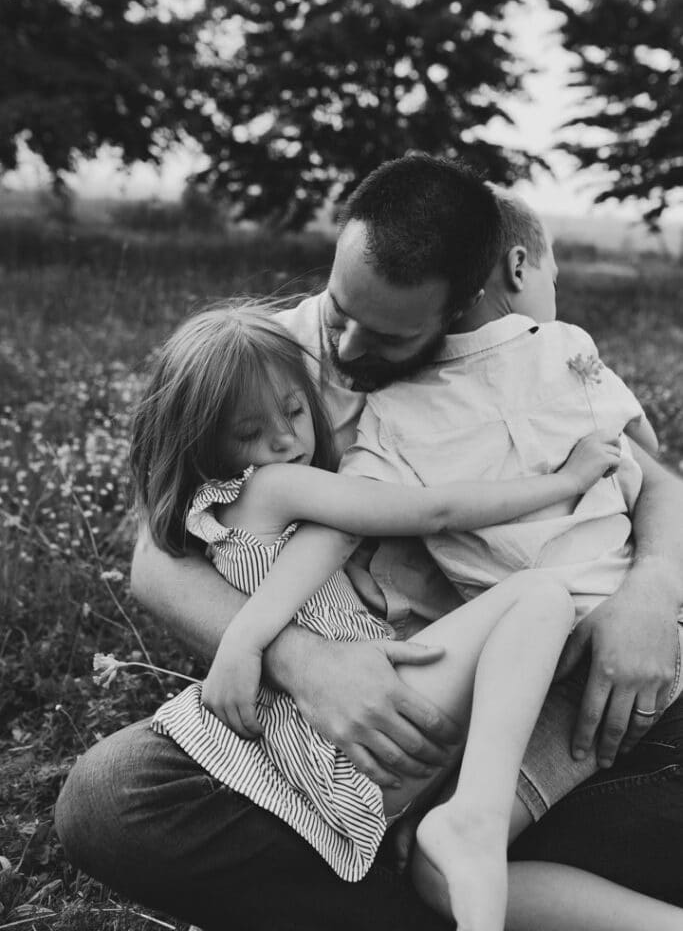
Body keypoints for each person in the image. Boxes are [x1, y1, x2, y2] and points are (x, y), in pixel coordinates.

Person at [55, 156, 683, 930]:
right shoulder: (270, 356)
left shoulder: (529, 355)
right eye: (340, 306)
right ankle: (456, 873)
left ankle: (447, 870)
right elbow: (158, 559)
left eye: (388, 333)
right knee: (107, 801)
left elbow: (650, 479)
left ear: (458, 308)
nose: (347, 344)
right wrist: (301, 662)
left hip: (526, 689)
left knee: (604, 753)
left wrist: (650, 590)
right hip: (362, 712)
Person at [129, 298, 620, 931]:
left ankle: (457, 834)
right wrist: (565, 481)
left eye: (294, 410)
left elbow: (326, 566)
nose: (283, 440)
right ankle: (474, 815)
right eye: (249, 432)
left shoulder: (214, 514)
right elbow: (434, 512)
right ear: (203, 441)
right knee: (541, 598)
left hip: (340, 752)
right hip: (359, 747)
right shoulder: (273, 486)